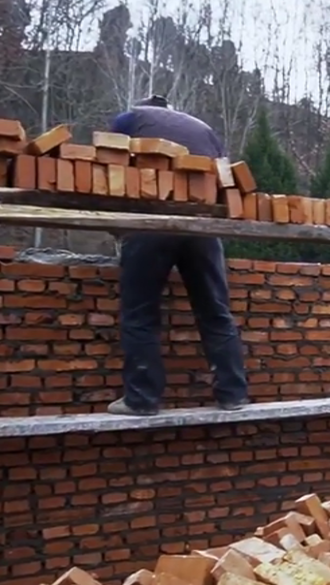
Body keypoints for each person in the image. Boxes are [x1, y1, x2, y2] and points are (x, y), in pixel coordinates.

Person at [106, 95, 250, 416]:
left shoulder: (131, 117)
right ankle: (233, 394)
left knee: (140, 313)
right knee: (215, 311)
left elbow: (110, 169)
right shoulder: (205, 129)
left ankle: (141, 399)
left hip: (152, 218)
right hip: (202, 226)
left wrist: (116, 223)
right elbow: (225, 179)